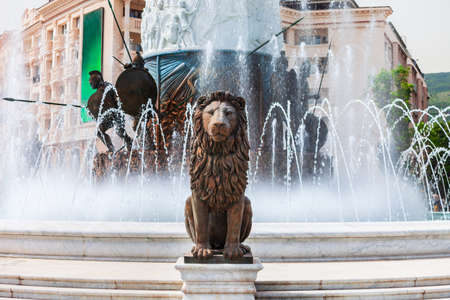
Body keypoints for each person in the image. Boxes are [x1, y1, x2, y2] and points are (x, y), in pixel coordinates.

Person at [87, 70, 133, 152]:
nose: (90, 84)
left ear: (98, 80)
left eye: (91, 82)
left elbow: (118, 99)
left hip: (116, 115)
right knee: (99, 132)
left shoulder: (108, 87)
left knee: (119, 131)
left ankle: (129, 142)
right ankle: (111, 149)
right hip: (107, 117)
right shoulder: (96, 95)